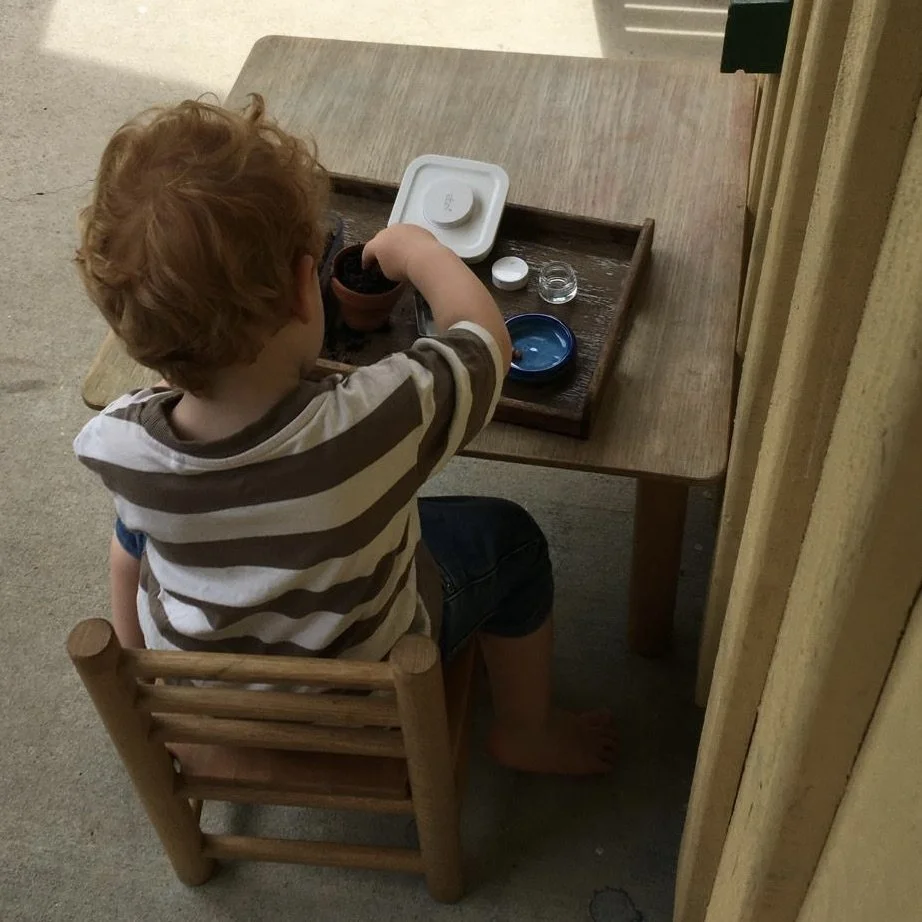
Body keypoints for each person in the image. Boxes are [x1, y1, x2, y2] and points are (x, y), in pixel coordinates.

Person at [73, 95, 615, 774]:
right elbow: (487, 344)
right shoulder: (377, 420)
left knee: (134, 527)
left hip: (214, 703)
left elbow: (139, 535)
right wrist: (417, 249)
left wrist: (162, 691)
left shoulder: (118, 443)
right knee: (512, 538)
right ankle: (525, 732)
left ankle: (149, 689)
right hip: (367, 688)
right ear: (310, 289)